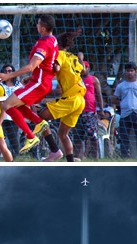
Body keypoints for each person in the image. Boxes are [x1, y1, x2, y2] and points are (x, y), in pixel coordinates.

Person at [0, 15, 58, 154]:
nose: (36, 25)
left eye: (38, 23)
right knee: (18, 105)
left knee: (6, 105)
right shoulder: (52, 40)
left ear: (43, 27)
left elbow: (31, 66)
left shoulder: (43, 44)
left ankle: (31, 136)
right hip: (39, 81)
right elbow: (47, 65)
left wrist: (8, 75)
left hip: (39, 84)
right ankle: (39, 123)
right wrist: (31, 76)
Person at [35, 32, 87, 162]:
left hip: (70, 98)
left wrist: (50, 66)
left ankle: (54, 151)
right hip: (80, 100)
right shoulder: (73, 57)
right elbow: (84, 71)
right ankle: (70, 162)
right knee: (62, 134)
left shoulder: (59, 54)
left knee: (39, 117)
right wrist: (80, 58)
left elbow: (56, 68)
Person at [113, 61, 137, 160]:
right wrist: (122, 104)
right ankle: (124, 155)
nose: (129, 73)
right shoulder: (121, 86)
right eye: (128, 71)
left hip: (136, 113)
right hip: (124, 114)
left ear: (135, 71)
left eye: (131, 71)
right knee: (124, 136)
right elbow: (114, 98)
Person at [75, 61, 107, 160]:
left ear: (88, 68)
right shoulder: (76, 79)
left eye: (85, 67)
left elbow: (99, 95)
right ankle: (78, 158)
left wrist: (101, 110)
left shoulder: (94, 80)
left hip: (90, 112)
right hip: (77, 111)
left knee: (93, 136)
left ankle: (95, 159)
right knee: (77, 136)